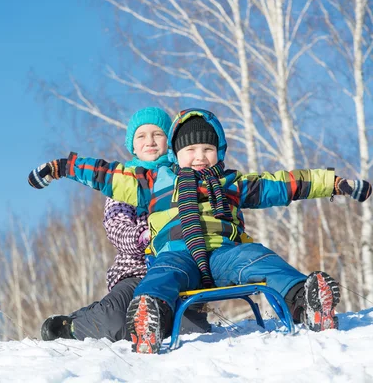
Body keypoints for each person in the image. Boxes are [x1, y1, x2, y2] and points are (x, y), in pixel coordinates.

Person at [28, 108, 371, 354]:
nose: (199, 156)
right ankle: (149, 317)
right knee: (159, 277)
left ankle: (306, 301)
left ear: (218, 152)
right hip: (176, 254)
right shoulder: (153, 181)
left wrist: (335, 183)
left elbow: (282, 184)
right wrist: (61, 167)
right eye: (190, 150)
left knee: (260, 258)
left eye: (207, 149)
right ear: (176, 154)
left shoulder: (231, 182)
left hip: (225, 253)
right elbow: (105, 174)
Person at [40, 107, 210, 343]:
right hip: (136, 271)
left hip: (178, 270)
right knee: (115, 323)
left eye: (157, 134)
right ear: (133, 145)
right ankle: (72, 326)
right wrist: (146, 235)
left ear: (169, 141)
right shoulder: (125, 181)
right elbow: (116, 227)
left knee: (192, 333)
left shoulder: (182, 177)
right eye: (141, 136)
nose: (149, 141)